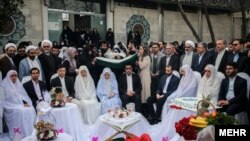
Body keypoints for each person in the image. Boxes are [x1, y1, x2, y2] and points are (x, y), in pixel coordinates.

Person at [2, 70, 36, 139]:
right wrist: (17, 105)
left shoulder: (18, 84)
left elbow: (23, 96)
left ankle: (31, 132)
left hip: (19, 105)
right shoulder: (4, 86)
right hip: (10, 107)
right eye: (12, 76)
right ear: (8, 77)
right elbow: (5, 101)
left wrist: (26, 103)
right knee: (21, 111)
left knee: (31, 108)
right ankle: (21, 134)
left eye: (15, 76)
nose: (14, 77)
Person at [136, 44, 151, 117]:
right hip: (141, 76)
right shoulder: (142, 57)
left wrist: (139, 58)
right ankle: (143, 110)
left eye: (141, 49)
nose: (140, 50)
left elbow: (141, 66)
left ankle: (147, 112)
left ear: (144, 50)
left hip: (145, 76)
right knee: (142, 93)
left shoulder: (147, 57)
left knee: (145, 93)